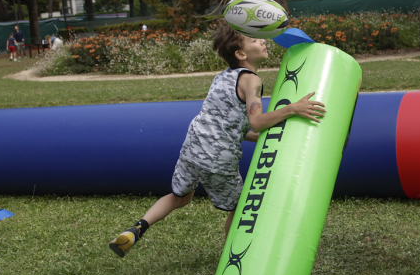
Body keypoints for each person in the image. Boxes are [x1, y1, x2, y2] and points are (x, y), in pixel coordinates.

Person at [108, 21, 327, 256]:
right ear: (241, 54)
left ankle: (136, 229)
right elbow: (257, 121)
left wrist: (266, 138)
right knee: (241, 207)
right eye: (254, 39)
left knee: (179, 198)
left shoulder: (222, 77)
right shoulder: (252, 80)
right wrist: (292, 109)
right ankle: (230, 260)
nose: (263, 40)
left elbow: (233, 127)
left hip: (193, 147)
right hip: (217, 159)